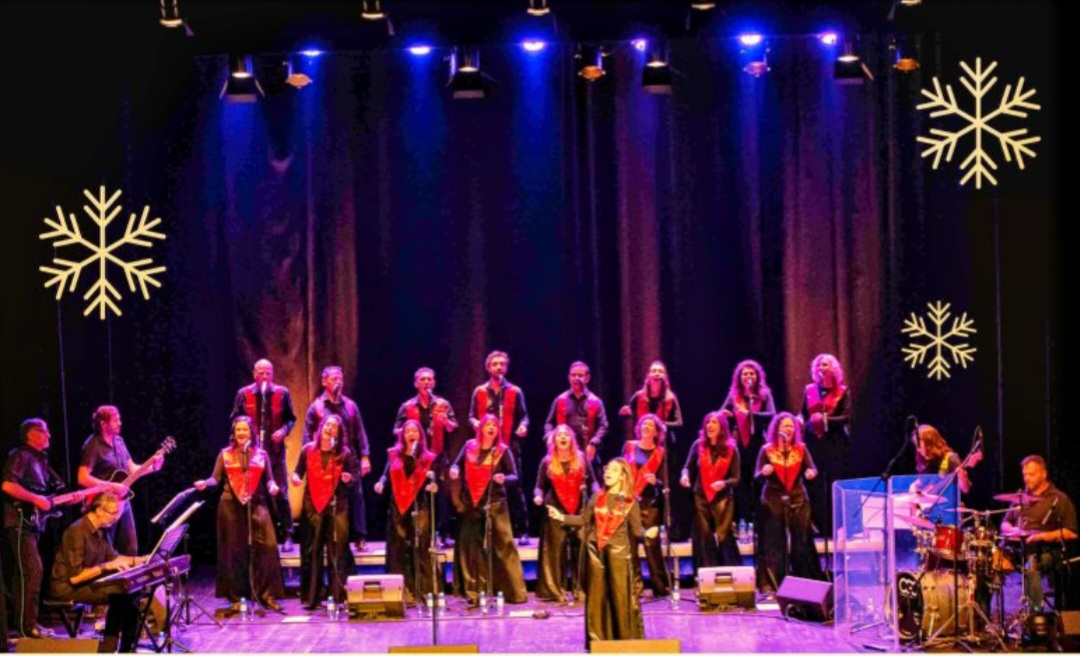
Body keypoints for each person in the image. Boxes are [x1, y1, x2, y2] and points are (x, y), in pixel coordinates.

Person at [547, 458, 659, 646]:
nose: (608, 472)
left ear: (623, 476)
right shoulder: (596, 497)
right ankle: (597, 641)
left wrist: (648, 533)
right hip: (595, 552)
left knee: (620, 597)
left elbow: (638, 531)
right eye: (607, 469)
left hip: (619, 554)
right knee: (597, 598)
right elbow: (584, 520)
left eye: (614, 470)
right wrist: (562, 517)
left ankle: (624, 640)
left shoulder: (630, 502)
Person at [194, 416, 284, 612]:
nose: (241, 433)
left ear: (251, 432)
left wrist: (273, 486)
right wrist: (204, 483)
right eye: (238, 430)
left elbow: (269, 480)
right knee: (233, 551)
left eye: (245, 430)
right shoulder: (225, 454)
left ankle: (266, 595)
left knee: (267, 547)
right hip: (230, 505)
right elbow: (214, 479)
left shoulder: (261, 455)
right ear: (234, 433)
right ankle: (237, 597)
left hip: (257, 503)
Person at [49, 493, 151, 653]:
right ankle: (112, 646)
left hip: (88, 582)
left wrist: (144, 559)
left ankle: (126, 647)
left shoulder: (102, 531)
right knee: (122, 594)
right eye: (113, 513)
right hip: (67, 588)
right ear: (98, 510)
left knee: (132, 590)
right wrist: (105, 567)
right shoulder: (76, 531)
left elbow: (115, 558)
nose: (116, 517)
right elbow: (75, 578)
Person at [449, 413, 528, 607]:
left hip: (495, 505)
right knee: (471, 549)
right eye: (488, 424)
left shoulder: (502, 450)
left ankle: (513, 592)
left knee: (503, 547)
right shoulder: (469, 446)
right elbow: (456, 464)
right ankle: (473, 591)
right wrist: (455, 469)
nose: (491, 427)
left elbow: (514, 477)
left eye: (495, 425)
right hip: (471, 506)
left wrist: (504, 478)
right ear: (481, 428)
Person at [2, 418, 65, 638]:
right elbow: (8, 485)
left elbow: (50, 496)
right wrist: (36, 499)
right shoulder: (20, 456)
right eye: (45, 432)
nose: (49, 436)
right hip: (18, 522)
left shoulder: (41, 461)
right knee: (32, 571)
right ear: (32, 434)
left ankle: (29, 624)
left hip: (31, 524)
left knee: (30, 574)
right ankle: (26, 626)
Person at [291, 414, 359, 610]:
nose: (330, 428)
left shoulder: (344, 453)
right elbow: (298, 471)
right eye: (328, 424)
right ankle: (313, 597)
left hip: (338, 505)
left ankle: (338, 596)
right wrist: (295, 478)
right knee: (313, 551)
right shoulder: (308, 450)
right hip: (312, 505)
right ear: (321, 427)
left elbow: (354, 478)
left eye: (335, 427)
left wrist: (348, 479)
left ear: (339, 432)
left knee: (338, 549)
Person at [230, 358, 298, 549]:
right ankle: (257, 535)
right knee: (253, 495)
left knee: (281, 494)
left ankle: (288, 535)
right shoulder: (243, 394)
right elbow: (235, 419)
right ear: (254, 374)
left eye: (268, 372)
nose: (265, 376)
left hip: (275, 454)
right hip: (251, 455)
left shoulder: (282, 393)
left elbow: (291, 419)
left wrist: (283, 431)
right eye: (261, 373)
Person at [755, 412, 825, 595]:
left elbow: (812, 468)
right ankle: (772, 583)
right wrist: (764, 471)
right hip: (773, 499)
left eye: (792, 426)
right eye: (785, 426)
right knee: (774, 543)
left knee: (801, 541)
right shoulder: (766, 450)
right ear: (777, 429)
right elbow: (756, 476)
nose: (789, 429)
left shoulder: (801, 449)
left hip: (798, 498)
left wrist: (811, 472)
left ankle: (804, 582)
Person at [78, 405, 163, 555]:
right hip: (101, 503)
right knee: (104, 551)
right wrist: (111, 486)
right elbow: (82, 478)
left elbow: (133, 470)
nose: (120, 423)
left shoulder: (119, 442)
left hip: (122, 501)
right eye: (116, 420)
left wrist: (153, 467)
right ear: (103, 424)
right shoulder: (93, 445)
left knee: (131, 548)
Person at [303, 366, 371, 551]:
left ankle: (360, 536)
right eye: (333, 378)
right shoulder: (316, 407)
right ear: (324, 381)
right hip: (325, 462)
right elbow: (307, 437)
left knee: (356, 496)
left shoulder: (350, 405)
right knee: (326, 499)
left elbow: (359, 432)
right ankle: (324, 538)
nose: (337, 382)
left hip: (347, 459)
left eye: (340, 378)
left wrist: (365, 456)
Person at [468, 351, 531, 546]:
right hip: (485, 447)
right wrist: (476, 423)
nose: (498, 367)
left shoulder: (514, 391)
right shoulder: (479, 392)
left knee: (514, 486)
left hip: (508, 446)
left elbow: (525, 416)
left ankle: (522, 530)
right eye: (494, 364)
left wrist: (523, 426)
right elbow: (470, 416)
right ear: (488, 367)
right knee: (483, 486)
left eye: (502, 364)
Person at [1000, 455, 1078, 611]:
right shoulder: (1020, 498)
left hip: (1047, 550)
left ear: (1043, 474)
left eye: (1031, 474)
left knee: (1032, 566)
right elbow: (1004, 524)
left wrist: (1042, 536)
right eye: (1025, 475)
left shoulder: (1059, 499)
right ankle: (986, 616)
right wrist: (1013, 529)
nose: (1027, 478)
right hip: (1020, 548)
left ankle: (1036, 614)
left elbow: (1071, 532)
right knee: (986, 564)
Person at [374, 419, 439, 606]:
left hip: (420, 506)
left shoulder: (427, 457)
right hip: (398, 506)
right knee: (398, 549)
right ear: (403, 435)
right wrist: (381, 483)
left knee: (421, 547)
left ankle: (425, 591)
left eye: (415, 431)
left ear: (420, 435)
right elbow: (386, 475)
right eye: (408, 431)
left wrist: (434, 485)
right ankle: (403, 591)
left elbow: (433, 479)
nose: (411, 434)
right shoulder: (394, 454)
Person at [393, 367, 459, 548]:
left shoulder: (442, 404)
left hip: (438, 457)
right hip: (416, 459)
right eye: (422, 379)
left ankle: (444, 533)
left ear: (434, 383)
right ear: (416, 383)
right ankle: (421, 533)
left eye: (429, 379)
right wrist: (408, 429)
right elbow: (395, 430)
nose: (426, 382)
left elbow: (454, 427)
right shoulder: (407, 406)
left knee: (442, 496)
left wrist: (446, 421)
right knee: (421, 495)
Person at [533, 425, 596, 602]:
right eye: (559, 435)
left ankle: (582, 589)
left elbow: (593, 482)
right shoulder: (547, 461)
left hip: (579, 508)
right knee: (556, 548)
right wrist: (537, 497)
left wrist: (597, 497)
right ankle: (555, 590)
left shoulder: (582, 459)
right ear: (554, 440)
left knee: (582, 543)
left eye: (566, 435)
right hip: (555, 508)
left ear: (571, 439)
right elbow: (539, 486)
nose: (562, 437)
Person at [680, 411, 741, 569]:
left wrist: (724, 483)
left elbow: (736, 479)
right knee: (704, 535)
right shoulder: (698, 446)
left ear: (722, 427)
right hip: (701, 496)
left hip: (723, 498)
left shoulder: (731, 449)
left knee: (724, 536)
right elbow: (687, 467)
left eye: (714, 422)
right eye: (708, 422)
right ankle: (706, 574)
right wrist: (685, 476)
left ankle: (731, 572)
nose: (709, 425)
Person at [798, 354, 852, 530]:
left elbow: (846, 417)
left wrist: (825, 419)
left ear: (833, 369)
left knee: (833, 483)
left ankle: (835, 525)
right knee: (814, 483)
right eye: (818, 365)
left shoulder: (843, 391)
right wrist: (798, 420)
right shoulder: (809, 391)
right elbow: (803, 414)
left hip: (835, 443)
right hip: (814, 443)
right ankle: (817, 524)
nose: (821, 368)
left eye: (825, 365)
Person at [719, 359, 776, 523]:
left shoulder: (764, 395)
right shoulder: (733, 396)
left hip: (758, 442)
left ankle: (760, 520)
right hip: (738, 444)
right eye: (745, 374)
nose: (748, 376)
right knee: (741, 483)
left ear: (757, 377)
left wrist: (751, 414)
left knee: (758, 481)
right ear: (739, 377)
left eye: (751, 373)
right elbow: (720, 413)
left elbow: (772, 414)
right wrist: (726, 415)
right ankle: (742, 520)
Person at [622, 414, 671, 597]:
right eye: (643, 424)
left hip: (651, 503)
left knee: (651, 544)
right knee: (631, 545)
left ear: (656, 431)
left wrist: (655, 481)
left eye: (650, 425)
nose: (646, 427)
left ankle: (659, 586)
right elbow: (622, 472)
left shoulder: (660, 452)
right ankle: (635, 587)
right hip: (631, 501)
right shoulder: (629, 446)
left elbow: (665, 482)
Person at [543, 362, 609, 465]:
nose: (576, 378)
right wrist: (550, 436)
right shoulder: (560, 400)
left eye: (580, 375)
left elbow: (603, 426)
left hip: (588, 451)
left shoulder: (596, 401)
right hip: (564, 452)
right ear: (569, 378)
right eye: (573, 375)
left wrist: (594, 442)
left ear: (587, 378)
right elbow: (549, 423)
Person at [619, 360, 683, 435]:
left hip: (664, 439)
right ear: (648, 376)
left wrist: (660, 423)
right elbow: (625, 415)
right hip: (643, 439)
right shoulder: (639, 395)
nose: (657, 373)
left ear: (665, 377)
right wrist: (623, 413)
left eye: (660, 371)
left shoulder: (671, 397)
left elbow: (679, 422)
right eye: (654, 371)